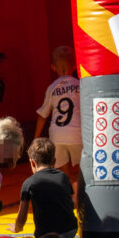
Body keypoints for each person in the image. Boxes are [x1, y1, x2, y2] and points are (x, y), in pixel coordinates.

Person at [33, 45, 83, 202]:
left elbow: (43, 115)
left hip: (57, 134)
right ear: (75, 66)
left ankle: (67, 197)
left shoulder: (52, 88)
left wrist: (36, 138)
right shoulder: (80, 85)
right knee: (82, 169)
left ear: (53, 67)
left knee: (62, 170)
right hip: (77, 133)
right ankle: (79, 196)